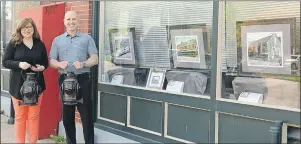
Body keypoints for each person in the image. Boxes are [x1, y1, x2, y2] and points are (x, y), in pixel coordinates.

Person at [49, 11, 98, 144]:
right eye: (68, 19)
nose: (71, 22)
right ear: (64, 21)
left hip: (82, 79)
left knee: (86, 116)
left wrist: (83, 63)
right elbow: (51, 60)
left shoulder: (87, 39)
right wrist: (59, 63)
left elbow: (95, 59)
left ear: (78, 21)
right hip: (64, 80)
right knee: (67, 116)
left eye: (74, 19)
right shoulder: (57, 40)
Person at [2, 18, 48, 143]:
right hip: (18, 86)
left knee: (33, 116)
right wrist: (19, 64)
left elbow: (45, 62)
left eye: (30, 27)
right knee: (20, 117)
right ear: (20, 29)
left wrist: (42, 67)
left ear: (34, 28)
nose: (27, 30)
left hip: (37, 86)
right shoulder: (14, 43)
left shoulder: (39, 44)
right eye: (24, 28)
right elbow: (5, 62)